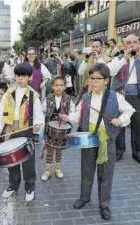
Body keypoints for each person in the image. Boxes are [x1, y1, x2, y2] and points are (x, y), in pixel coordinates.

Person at [60, 63, 135, 220]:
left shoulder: (115, 96)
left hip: (107, 139)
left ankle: (104, 204)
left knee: (106, 173)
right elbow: (77, 114)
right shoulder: (86, 97)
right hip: (89, 138)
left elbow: (129, 110)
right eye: (91, 78)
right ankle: (84, 197)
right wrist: (68, 118)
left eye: (97, 79)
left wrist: (120, 119)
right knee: (86, 169)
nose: (93, 82)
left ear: (106, 81)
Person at [0, 62, 45, 202]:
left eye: (23, 76)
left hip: (27, 132)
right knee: (12, 161)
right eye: (18, 76)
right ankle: (13, 185)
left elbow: (39, 116)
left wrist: (37, 125)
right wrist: (0, 130)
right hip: (11, 130)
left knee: (28, 162)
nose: (20, 79)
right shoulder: (8, 93)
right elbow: (1, 112)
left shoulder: (33, 94)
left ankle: (30, 187)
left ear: (29, 77)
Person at [108, 34, 140, 163]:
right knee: (119, 123)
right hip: (120, 95)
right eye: (128, 42)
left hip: (137, 95)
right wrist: (125, 59)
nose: (131, 45)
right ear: (123, 45)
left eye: (134, 42)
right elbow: (110, 72)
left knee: (137, 125)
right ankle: (119, 150)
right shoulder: (119, 59)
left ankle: (137, 152)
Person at [41, 77, 75, 181]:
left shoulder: (69, 99)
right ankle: (47, 170)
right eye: (56, 85)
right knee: (49, 149)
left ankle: (57, 168)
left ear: (65, 86)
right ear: (52, 86)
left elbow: (73, 110)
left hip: (62, 129)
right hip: (50, 129)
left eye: (61, 85)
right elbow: (43, 111)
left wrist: (68, 116)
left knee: (59, 149)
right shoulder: (48, 97)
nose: (58, 87)